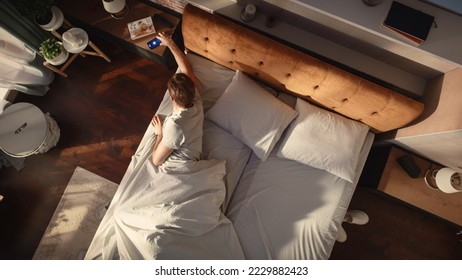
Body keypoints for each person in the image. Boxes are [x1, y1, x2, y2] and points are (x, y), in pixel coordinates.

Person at [150, 32, 203, 168]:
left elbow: (156, 161)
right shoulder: (195, 100)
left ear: (171, 98)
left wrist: (159, 134)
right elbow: (186, 67)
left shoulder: (175, 126)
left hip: (182, 165)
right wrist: (170, 43)